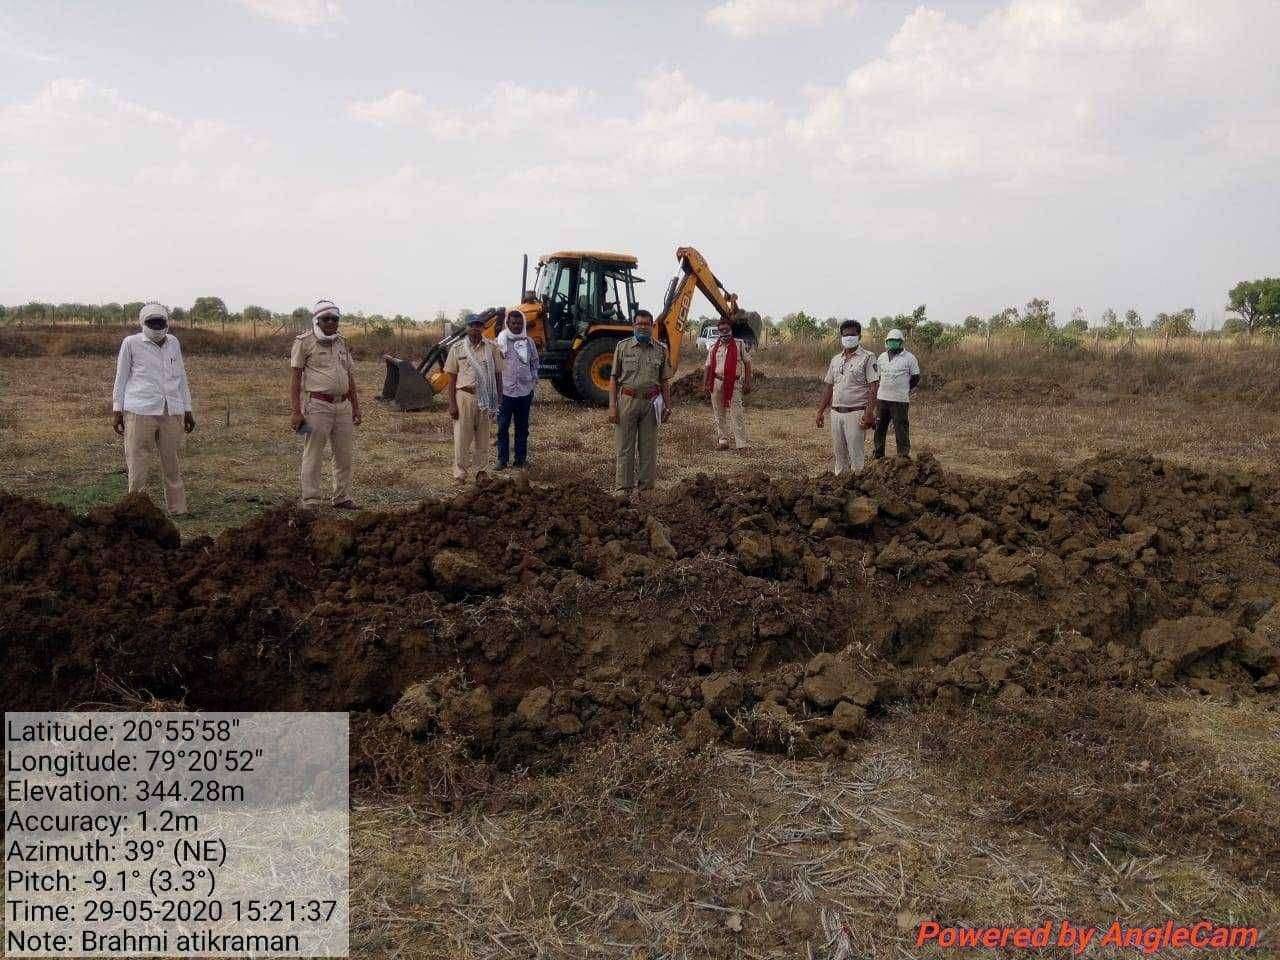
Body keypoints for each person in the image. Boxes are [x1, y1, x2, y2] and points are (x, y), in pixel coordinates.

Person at [111, 302, 196, 515]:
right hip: (140, 410)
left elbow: (181, 377)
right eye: (152, 322)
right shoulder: (131, 343)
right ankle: (135, 509)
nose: (157, 326)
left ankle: (178, 509)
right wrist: (117, 410)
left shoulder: (173, 343)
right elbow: (120, 378)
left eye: (160, 322)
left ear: (166, 323)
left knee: (172, 461)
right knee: (137, 460)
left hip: (171, 411)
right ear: (143, 323)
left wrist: (187, 409)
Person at [290, 299, 362, 509]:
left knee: (344, 455)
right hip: (317, 406)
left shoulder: (342, 342)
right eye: (326, 319)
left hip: (343, 407)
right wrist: (296, 411)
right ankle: (311, 499)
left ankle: (342, 497)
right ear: (317, 320)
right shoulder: (304, 342)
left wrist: (356, 407)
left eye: (335, 318)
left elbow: (350, 377)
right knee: (313, 454)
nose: (331, 322)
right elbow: (295, 379)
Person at [608, 309, 672, 501]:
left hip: (651, 403)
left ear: (652, 326)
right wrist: (612, 406)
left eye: (646, 324)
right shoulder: (623, 347)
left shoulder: (661, 349)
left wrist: (667, 407)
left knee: (648, 448)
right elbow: (613, 378)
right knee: (624, 447)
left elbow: (665, 381)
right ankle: (623, 489)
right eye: (639, 324)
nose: (643, 327)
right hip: (627, 400)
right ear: (633, 325)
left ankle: (646, 490)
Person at [445, 312, 503, 482]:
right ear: (466, 328)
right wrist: (452, 404)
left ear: (483, 327)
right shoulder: (457, 349)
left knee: (483, 438)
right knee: (462, 437)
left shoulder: (492, 347)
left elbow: (498, 374)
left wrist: (499, 398)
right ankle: (460, 472)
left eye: (478, 325)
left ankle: (481, 471)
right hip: (464, 397)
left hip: (486, 398)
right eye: (472, 325)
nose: (475, 329)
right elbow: (452, 378)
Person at [816, 320, 878, 474]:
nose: (848, 337)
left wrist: (869, 414)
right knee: (840, 457)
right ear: (841, 337)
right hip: (836, 413)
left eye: (852, 334)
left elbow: (873, 387)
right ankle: (840, 489)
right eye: (845, 335)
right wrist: (820, 411)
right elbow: (829, 386)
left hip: (856, 414)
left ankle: (859, 492)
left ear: (859, 336)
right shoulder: (836, 359)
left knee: (856, 457)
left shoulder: (868, 358)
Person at [495, 309, 538, 470]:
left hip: (524, 392)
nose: (516, 325)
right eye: (513, 323)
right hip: (505, 393)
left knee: (522, 428)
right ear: (508, 323)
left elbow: (534, 362)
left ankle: (520, 460)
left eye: (519, 323)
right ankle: (502, 460)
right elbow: (495, 367)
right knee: (502, 427)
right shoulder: (500, 341)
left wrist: (532, 381)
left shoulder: (529, 342)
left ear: (523, 324)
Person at [703, 317, 752, 451]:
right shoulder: (713, 347)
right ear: (718, 331)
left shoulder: (739, 344)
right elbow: (707, 366)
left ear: (731, 330)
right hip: (716, 382)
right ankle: (723, 440)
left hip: (734, 383)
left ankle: (741, 443)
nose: (724, 332)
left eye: (727, 329)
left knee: (737, 413)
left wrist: (748, 382)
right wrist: (705, 383)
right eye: (721, 330)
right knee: (719, 413)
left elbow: (747, 363)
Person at [873, 327, 920, 459]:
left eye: (896, 341)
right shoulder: (881, 357)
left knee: (901, 429)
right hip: (882, 399)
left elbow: (916, 378)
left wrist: (905, 388)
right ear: (886, 342)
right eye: (891, 341)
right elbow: (878, 376)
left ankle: (903, 457)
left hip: (900, 401)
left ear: (901, 342)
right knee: (879, 429)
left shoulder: (910, 358)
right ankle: (878, 455)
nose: (893, 343)